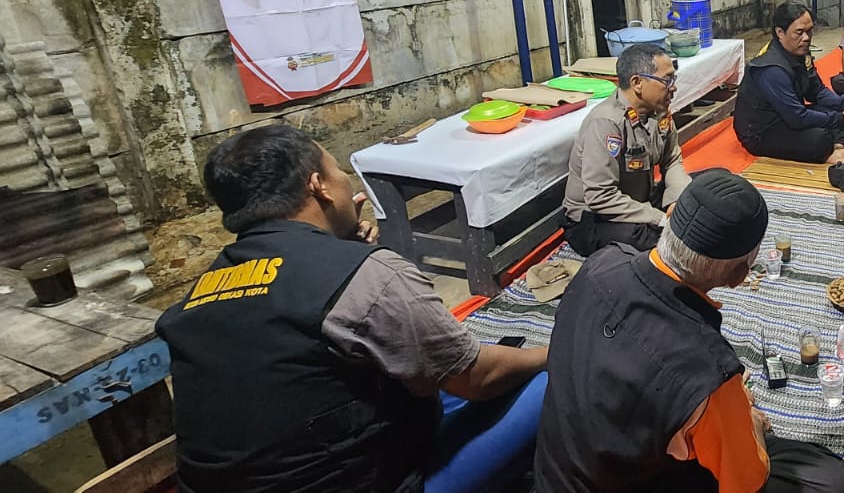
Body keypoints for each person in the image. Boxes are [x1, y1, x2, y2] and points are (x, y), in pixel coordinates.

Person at [156, 125, 549, 493]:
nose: (347, 181)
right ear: (319, 186)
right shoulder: (365, 275)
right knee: (549, 379)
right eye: (338, 170)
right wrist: (551, 352)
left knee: (433, 378)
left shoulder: (204, 287)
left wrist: (344, 248)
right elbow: (477, 377)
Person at [535, 170, 844, 492]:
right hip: (638, 480)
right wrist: (753, 423)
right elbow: (746, 484)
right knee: (828, 479)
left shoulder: (602, 262)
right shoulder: (707, 374)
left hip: (556, 478)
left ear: (671, 215)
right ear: (738, 276)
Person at [561, 43, 691, 256]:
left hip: (639, 202)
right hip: (595, 218)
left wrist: (677, 202)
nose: (673, 87)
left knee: (710, 186)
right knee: (645, 238)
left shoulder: (658, 111)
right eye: (667, 80)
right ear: (637, 83)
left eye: (673, 79)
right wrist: (659, 218)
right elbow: (600, 196)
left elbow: (671, 160)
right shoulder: (606, 123)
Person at [735, 2, 844, 165]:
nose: (806, 38)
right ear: (780, 33)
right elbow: (797, 118)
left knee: (841, 114)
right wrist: (841, 119)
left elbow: (817, 91)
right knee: (821, 137)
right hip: (764, 131)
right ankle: (827, 150)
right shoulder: (771, 69)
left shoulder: (800, 52)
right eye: (799, 32)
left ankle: (835, 148)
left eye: (809, 31)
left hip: (788, 115)